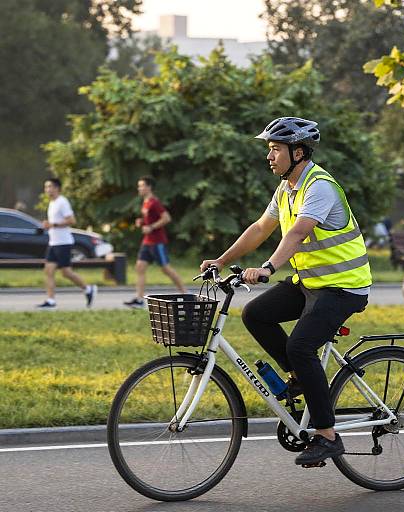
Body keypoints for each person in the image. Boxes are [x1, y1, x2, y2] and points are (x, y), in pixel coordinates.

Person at [200, 117, 372, 466]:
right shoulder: (287, 189)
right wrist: (221, 260)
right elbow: (261, 228)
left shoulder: (319, 186)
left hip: (343, 286)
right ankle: (297, 378)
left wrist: (267, 268)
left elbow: (296, 234)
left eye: (275, 149)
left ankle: (327, 436)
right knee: (255, 314)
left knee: (301, 345)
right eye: (269, 149)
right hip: (311, 282)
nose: (270, 156)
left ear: (297, 152)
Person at [124, 176, 187, 308]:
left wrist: (151, 227)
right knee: (140, 267)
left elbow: (166, 218)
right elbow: (150, 219)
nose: (139, 188)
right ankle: (139, 299)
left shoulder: (154, 202)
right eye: (139, 186)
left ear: (149, 187)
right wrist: (142, 222)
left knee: (166, 269)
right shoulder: (145, 202)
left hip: (157, 241)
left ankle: (185, 294)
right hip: (147, 241)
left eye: (141, 186)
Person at [37, 178, 97, 309]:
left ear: (57, 188)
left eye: (50, 187)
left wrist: (53, 224)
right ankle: (50, 301)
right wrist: (48, 225)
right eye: (46, 187)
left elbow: (71, 220)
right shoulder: (52, 203)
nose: (48, 190)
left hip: (63, 243)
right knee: (49, 270)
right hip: (54, 242)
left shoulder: (62, 202)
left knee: (66, 272)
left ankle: (88, 289)